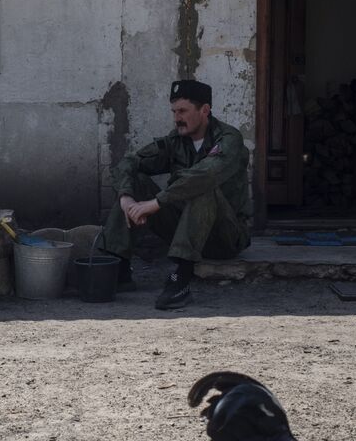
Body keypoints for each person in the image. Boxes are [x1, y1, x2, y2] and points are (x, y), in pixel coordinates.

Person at [100, 79, 251, 310]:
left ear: (205, 110)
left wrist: (156, 203)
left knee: (202, 187)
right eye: (174, 111)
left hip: (224, 236)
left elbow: (205, 175)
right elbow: (129, 163)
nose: (176, 118)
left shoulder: (229, 140)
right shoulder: (176, 141)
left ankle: (181, 278)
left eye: (182, 111)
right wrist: (126, 197)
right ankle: (118, 267)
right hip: (185, 227)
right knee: (135, 182)